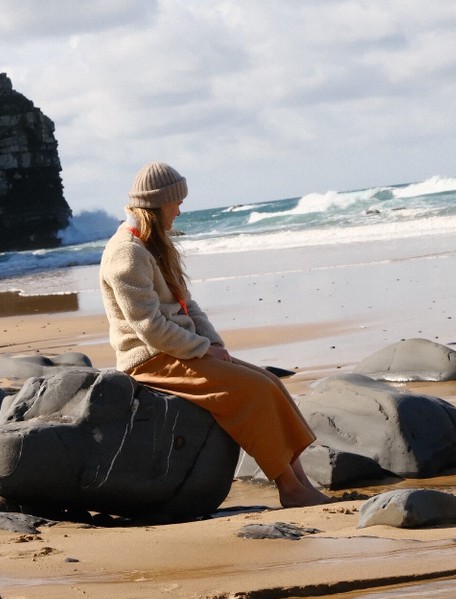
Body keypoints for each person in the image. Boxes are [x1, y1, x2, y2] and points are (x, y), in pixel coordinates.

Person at [99, 161, 330, 508]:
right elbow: (149, 328)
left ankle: (301, 483)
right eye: (176, 203)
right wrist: (202, 348)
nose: (180, 210)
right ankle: (289, 488)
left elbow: (186, 303)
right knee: (253, 392)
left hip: (177, 350)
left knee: (270, 382)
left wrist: (214, 343)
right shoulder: (127, 253)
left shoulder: (153, 245)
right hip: (150, 360)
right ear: (158, 204)